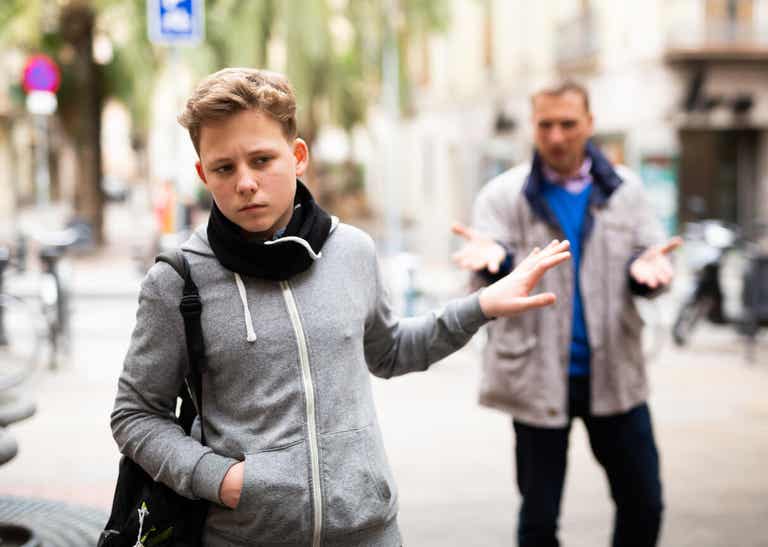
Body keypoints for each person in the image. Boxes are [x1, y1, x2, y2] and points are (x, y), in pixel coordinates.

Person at [109, 67, 571, 547]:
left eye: (262, 159)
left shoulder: (352, 251)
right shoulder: (178, 279)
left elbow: (389, 351)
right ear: (204, 174)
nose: (245, 182)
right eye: (224, 168)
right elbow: (135, 414)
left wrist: (480, 306)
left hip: (369, 532)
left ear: (298, 156)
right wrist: (219, 480)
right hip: (243, 536)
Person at [452, 81, 681, 547]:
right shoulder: (502, 195)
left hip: (615, 371)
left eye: (568, 124)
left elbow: (648, 256)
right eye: (545, 125)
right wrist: (494, 262)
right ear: (533, 127)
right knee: (538, 519)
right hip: (535, 376)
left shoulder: (626, 191)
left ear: (590, 124)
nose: (556, 136)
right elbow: (486, 279)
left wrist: (646, 271)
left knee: (645, 503)